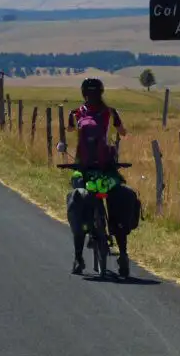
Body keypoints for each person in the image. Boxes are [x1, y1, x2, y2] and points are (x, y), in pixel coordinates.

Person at [56, 77, 136, 278]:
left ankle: (78, 257)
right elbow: (123, 133)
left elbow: (71, 130)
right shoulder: (111, 112)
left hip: (84, 169)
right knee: (117, 200)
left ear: (83, 94)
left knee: (77, 199)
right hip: (107, 169)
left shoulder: (75, 113)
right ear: (102, 92)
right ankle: (123, 255)